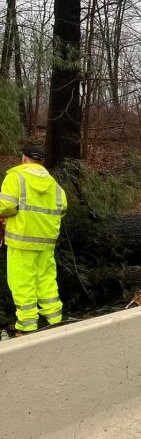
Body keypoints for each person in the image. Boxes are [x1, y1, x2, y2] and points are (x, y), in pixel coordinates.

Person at [0, 142, 67, 335]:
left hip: (21, 240)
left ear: (24, 159)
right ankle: (55, 320)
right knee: (46, 280)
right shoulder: (53, 184)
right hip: (46, 242)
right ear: (42, 162)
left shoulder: (15, 177)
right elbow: (62, 208)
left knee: (22, 282)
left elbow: (6, 206)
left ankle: (27, 326)